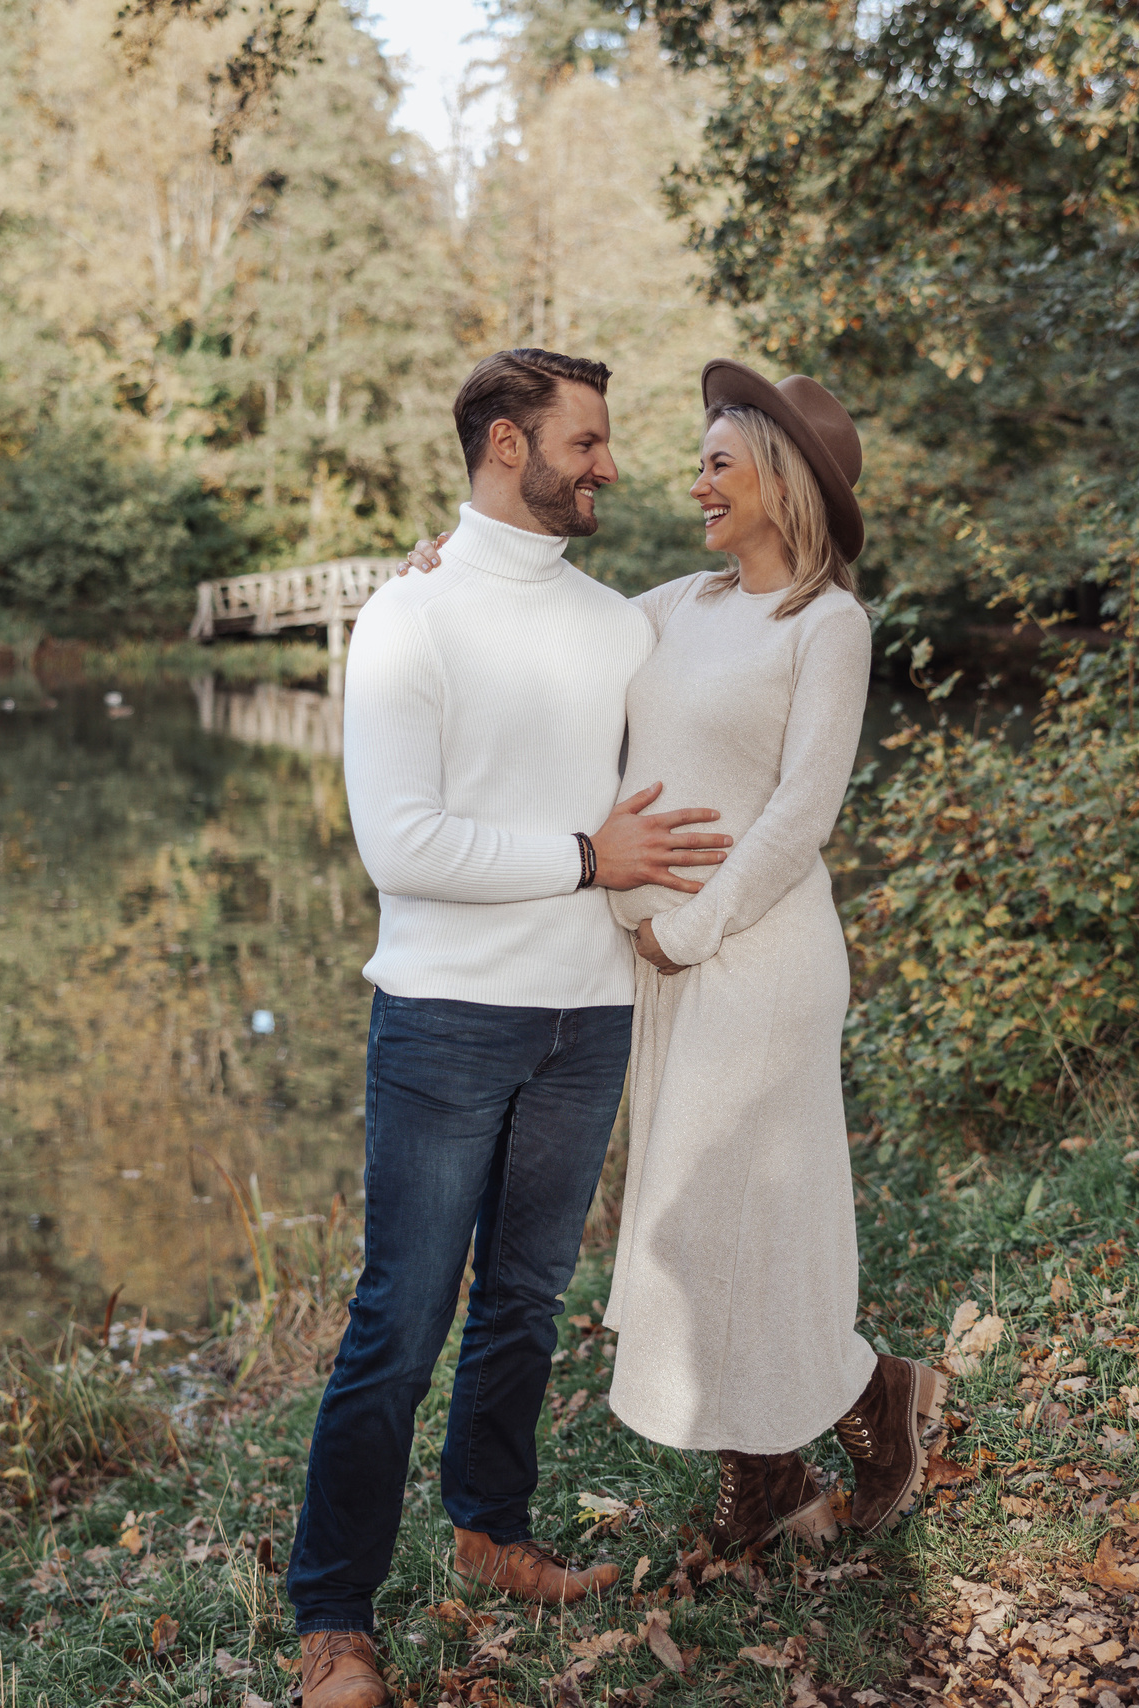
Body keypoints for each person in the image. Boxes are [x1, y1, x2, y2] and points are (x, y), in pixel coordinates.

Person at [398, 362, 948, 1560]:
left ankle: (869, 1403)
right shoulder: (668, 608)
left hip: (756, 960)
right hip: (663, 964)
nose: (691, 480)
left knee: (738, 1223)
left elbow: (800, 815)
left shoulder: (827, 624)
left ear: (779, 479)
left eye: (715, 462)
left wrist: (686, 932)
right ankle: (771, 1475)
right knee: (696, 1230)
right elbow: (542, 618)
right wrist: (441, 573)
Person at [288, 348, 736, 1708]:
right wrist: (584, 859)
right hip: (446, 1018)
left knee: (530, 1302)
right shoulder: (410, 618)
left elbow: (723, 670)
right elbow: (399, 843)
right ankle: (333, 1619)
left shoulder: (617, 623)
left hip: (587, 1015)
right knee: (402, 1320)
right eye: (586, 441)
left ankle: (490, 1529)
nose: (610, 463)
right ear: (504, 445)